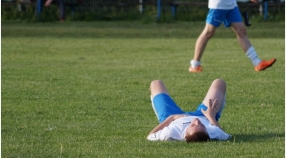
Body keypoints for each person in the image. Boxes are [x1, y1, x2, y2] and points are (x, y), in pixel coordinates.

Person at [188, 0, 276, 72]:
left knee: (241, 31)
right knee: (208, 32)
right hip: (219, 5)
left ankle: (257, 63)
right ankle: (195, 65)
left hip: (231, 5)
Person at [147, 79, 231, 142]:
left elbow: (150, 136)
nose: (196, 121)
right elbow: (225, 135)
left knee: (156, 83)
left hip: (172, 116)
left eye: (193, 125)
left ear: (185, 136)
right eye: (202, 125)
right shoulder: (212, 133)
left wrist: (172, 117)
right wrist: (211, 116)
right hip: (205, 115)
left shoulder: (170, 133)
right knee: (219, 82)